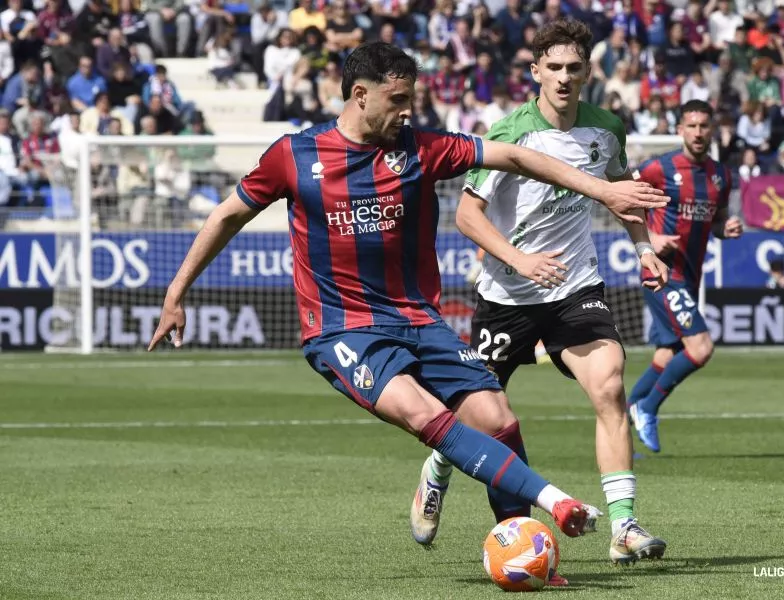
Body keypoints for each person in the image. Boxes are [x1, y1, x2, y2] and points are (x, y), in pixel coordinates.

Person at [147, 42, 669, 550]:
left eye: (411, 100)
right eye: (397, 100)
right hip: (343, 329)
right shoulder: (295, 155)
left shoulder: (422, 148)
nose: (407, 112)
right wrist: (176, 293)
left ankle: (524, 547)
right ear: (359, 95)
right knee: (426, 416)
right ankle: (556, 504)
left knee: (497, 418)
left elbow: (514, 156)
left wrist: (603, 190)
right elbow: (227, 215)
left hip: (420, 321)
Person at [407, 19, 669, 578]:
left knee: (610, 383)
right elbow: (466, 215)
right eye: (554, 67)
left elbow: (621, 196)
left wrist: (644, 248)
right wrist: (519, 259)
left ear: (588, 71)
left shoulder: (606, 129)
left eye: (574, 67)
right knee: (477, 415)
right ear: (535, 72)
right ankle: (438, 469)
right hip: (507, 295)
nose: (564, 77)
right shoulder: (511, 133)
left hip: (575, 286)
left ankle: (623, 526)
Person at [627, 100, 744, 454]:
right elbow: (622, 200)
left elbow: (717, 221)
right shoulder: (659, 168)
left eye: (703, 126)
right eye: (691, 126)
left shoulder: (721, 176)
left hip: (689, 276)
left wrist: (726, 229)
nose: (697, 132)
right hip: (662, 274)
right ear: (680, 130)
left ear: (712, 130)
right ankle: (647, 409)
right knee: (701, 347)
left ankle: (622, 423)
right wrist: (650, 238)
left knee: (668, 354)